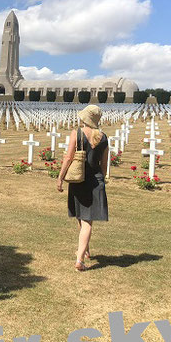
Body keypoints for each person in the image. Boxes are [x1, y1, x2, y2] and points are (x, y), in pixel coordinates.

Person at [57, 105, 109, 271]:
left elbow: (68, 157)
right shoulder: (104, 137)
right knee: (83, 217)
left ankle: (79, 260)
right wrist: (101, 178)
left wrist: (60, 178)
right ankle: (85, 250)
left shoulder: (77, 133)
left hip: (79, 179)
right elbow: (105, 164)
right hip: (95, 181)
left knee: (85, 221)